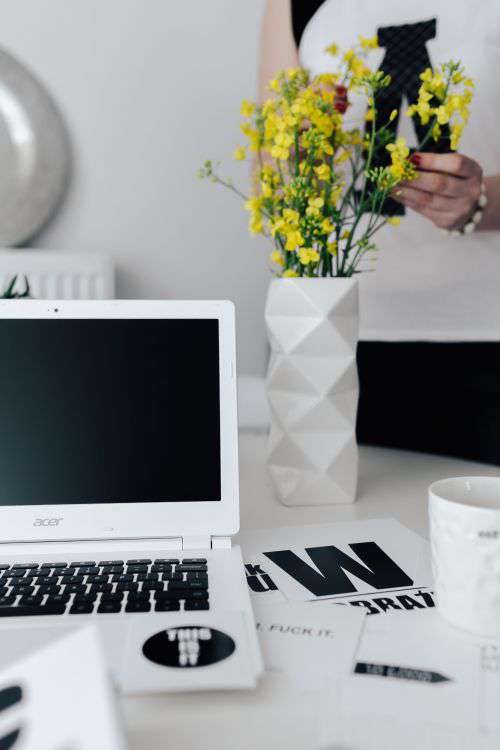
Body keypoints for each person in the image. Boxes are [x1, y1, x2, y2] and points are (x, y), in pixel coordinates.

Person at [258, 0, 500, 464]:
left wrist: (477, 201)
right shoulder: (292, 6)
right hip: (334, 338)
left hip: (485, 336)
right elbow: (270, 176)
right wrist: (304, 155)